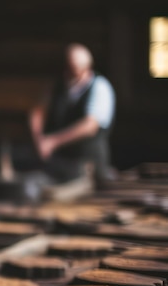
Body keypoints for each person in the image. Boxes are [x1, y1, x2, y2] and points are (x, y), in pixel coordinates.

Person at [28, 43, 116, 185]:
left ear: (86, 68)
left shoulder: (100, 87)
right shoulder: (58, 85)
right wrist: (39, 138)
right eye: (67, 67)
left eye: (74, 69)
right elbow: (38, 111)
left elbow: (90, 126)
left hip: (89, 165)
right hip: (60, 163)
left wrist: (53, 141)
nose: (68, 73)